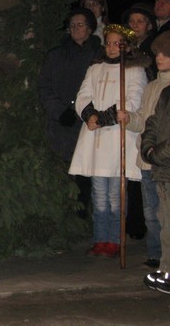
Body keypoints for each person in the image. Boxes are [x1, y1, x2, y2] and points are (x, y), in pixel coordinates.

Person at [69, 24, 147, 258]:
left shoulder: (134, 71)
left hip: (116, 137)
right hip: (95, 138)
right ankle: (100, 239)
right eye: (109, 43)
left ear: (127, 46)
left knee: (115, 195)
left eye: (117, 44)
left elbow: (134, 100)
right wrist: (89, 115)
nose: (112, 48)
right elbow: (83, 95)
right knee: (99, 195)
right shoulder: (95, 68)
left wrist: (104, 118)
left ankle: (114, 240)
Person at [38, 8, 102, 218]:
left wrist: (88, 112)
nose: (75, 28)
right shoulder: (55, 55)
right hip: (61, 124)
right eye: (72, 25)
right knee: (62, 172)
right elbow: (45, 86)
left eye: (80, 24)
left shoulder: (100, 55)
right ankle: (61, 219)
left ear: (90, 28)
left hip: (89, 124)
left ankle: (83, 218)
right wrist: (58, 110)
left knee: (86, 176)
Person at [118, 31, 170, 270]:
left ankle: (166, 262)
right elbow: (145, 120)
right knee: (151, 213)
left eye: (165, 54)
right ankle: (155, 255)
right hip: (147, 159)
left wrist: (156, 152)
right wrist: (129, 118)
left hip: (164, 161)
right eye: (157, 53)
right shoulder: (151, 87)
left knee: (165, 215)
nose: (159, 57)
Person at [141, 82, 170, 293]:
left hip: (164, 163)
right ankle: (167, 270)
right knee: (166, 224)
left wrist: (157, 154)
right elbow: (153, 121)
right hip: (163, 172)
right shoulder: (167, 93)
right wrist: (148, 147)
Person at [122, 2, 157, 81]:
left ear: (150, 26)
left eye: (140, 21)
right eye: (131, 21)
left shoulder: (153, 49)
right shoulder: (122, 45)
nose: (135, 25)